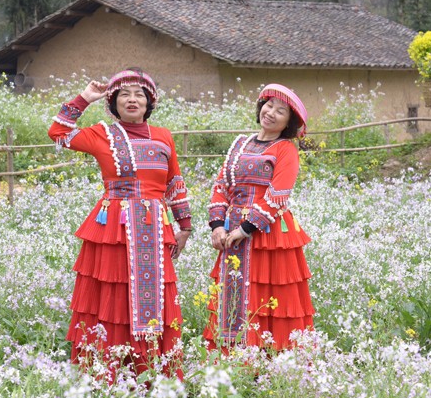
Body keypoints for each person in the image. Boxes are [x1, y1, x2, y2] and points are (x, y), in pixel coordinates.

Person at [48, 68, 192, 379]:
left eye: (139, 94)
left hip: (155, 227)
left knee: (155, 298)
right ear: (113, 102)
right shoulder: (102, 134)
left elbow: (174, 183)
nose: (132, 99)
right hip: (114, 227)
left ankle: (152, 373)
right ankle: (109, 371)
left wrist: (185, 226)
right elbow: (58, 133)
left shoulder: (164, 137)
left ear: (149, 102)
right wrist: (85, 98)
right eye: (123, 94)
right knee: (113, 294)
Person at [204, 84, 314, 351]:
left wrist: (245, 228)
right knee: (234, 296)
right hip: (231, 232)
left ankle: (271, 361)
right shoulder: (240, 144)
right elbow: (221, 186)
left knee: (268, 295)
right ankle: (232, 360)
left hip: (268, 234)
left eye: (281, 111)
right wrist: (218, 226)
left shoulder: (285, 149)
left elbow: (278, 196)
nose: (271, 113)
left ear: (289, 122)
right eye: (269, 105)